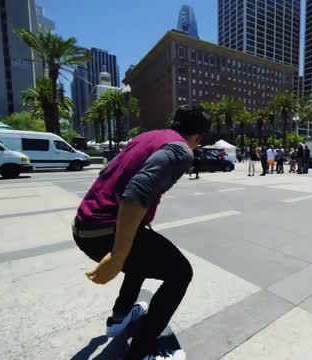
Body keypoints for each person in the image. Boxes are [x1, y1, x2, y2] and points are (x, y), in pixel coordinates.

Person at [72, 105, 211, 360]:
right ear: (200, 136)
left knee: (142, 254)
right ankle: (143, 349)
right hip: (104, 230)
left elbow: (108, 172)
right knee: (180, 274)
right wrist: (117, 256)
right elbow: (137, 191)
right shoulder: (180, 150)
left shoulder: (145, 137)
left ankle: (120, 317)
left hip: (85, 224)